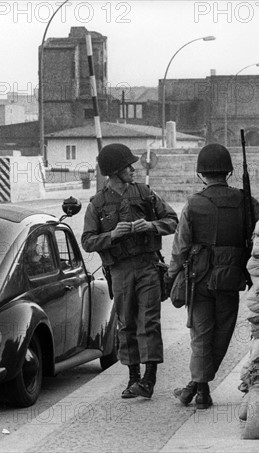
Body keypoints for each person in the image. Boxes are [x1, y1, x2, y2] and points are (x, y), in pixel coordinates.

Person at [167, 143, 259, 408]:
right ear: (229, 172)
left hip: (198, 279)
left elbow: (180, 247)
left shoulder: (194, 204)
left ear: (201, 174)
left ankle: (200, 390)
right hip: (231, 277)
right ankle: (198, 389)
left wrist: (171, 277)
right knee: (222, 335)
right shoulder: (247, 202)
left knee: (201, 336)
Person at [81, 143, 178, 399]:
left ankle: (149, 379)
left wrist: (152, 225)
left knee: (150, 322)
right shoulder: (98, 204)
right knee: (127, 324)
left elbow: (172, 220)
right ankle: (133, 377)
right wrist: (111, 235)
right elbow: (88, 241)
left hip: (147, 266)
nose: (133, 169)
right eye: (127, 166)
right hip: (120, 270)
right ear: (114, 171)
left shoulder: (145, 193)